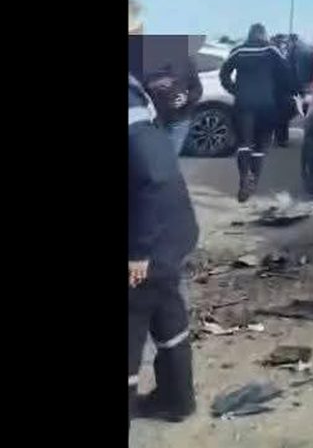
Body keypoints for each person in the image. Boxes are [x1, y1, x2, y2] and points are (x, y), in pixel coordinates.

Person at [128, 74, 199, 427]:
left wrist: (138, 253)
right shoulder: (138, 105)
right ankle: (176, 399)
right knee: (167, 313)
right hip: (170, 235)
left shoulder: (132, 119)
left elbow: (153, 178)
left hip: (147, 244)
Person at [219, 23, 295, 202]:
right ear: (264, 34)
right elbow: (287, 73)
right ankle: (254, 181)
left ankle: (243, 178)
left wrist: (235, 89)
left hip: (243, 103)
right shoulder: (271, 50)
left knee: (244, 143)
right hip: (267, 104)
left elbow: (224, 74)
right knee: (261, 145)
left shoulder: (238, 51)